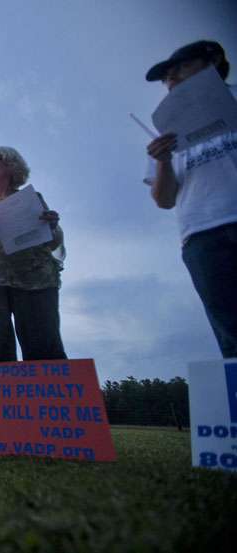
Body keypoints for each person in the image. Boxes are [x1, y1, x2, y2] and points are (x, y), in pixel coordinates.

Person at [143, 40, 237, 358]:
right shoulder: (166, 130)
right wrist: (163, 161)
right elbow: (164, 199)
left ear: (213, 62)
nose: (172, 80)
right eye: (166, 77)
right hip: (200, 235)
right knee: (231, 333)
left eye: (181, 68)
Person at [0, 147, 66, 363]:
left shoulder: (31, 199)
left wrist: (52, 226)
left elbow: (52, 243)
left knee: (43, 346)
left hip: (34, 278)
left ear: (11, 164)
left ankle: (47, 386)